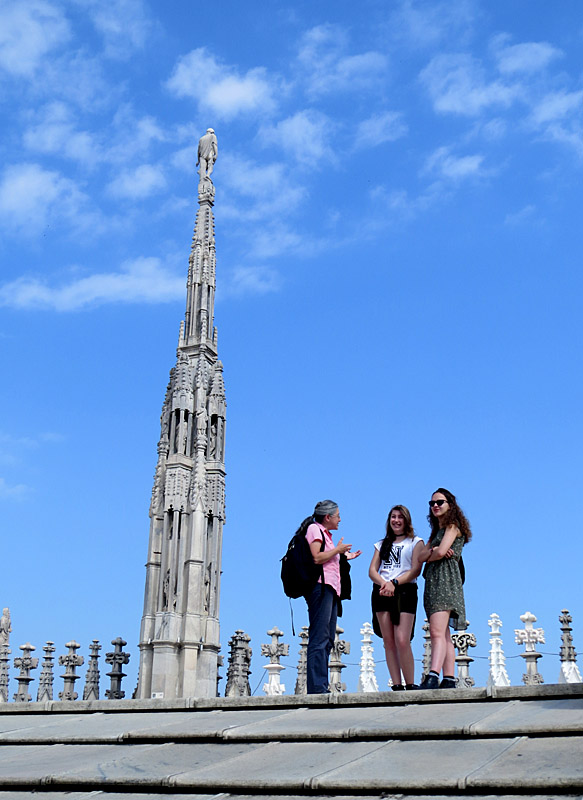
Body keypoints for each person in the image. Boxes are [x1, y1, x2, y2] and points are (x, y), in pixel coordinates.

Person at [296, 500, 361, 694]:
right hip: (319, 587)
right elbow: (317, 557)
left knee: (327, 636)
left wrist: (343, 556)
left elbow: (328, 557)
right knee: (319, 636)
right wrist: (337, 551)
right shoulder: (315, 530)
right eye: (337, 515)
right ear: (328, 517)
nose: (340, 519)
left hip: (330, 589)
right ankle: (317, 688)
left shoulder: (325, 534)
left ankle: (321, 685)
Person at [418, 488, 472, 690]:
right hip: (433, 580)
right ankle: (448, 677)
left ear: (450, 504)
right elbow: (421, 557)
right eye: (432, 503)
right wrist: (434, 552)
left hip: (446, 581)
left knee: (437, 632)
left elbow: (439, 552)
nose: (435, 506)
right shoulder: (436, 532)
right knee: (443, 633)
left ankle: (433, 675)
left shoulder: (452, 527)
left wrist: (434, 553)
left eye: (439, 502)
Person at [368, 505, 424, 690]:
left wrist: (395, 583)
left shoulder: (416, 542)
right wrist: (384, 584)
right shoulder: (381, 544)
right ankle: (396, 683)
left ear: (406, 520)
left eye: (400, 517)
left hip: (405, 591)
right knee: (388, 640)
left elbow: (415, 569)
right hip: (382, 591)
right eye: (393, 517)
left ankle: (410, 683)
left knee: (402, 639)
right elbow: (372, 570)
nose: (396, 520)